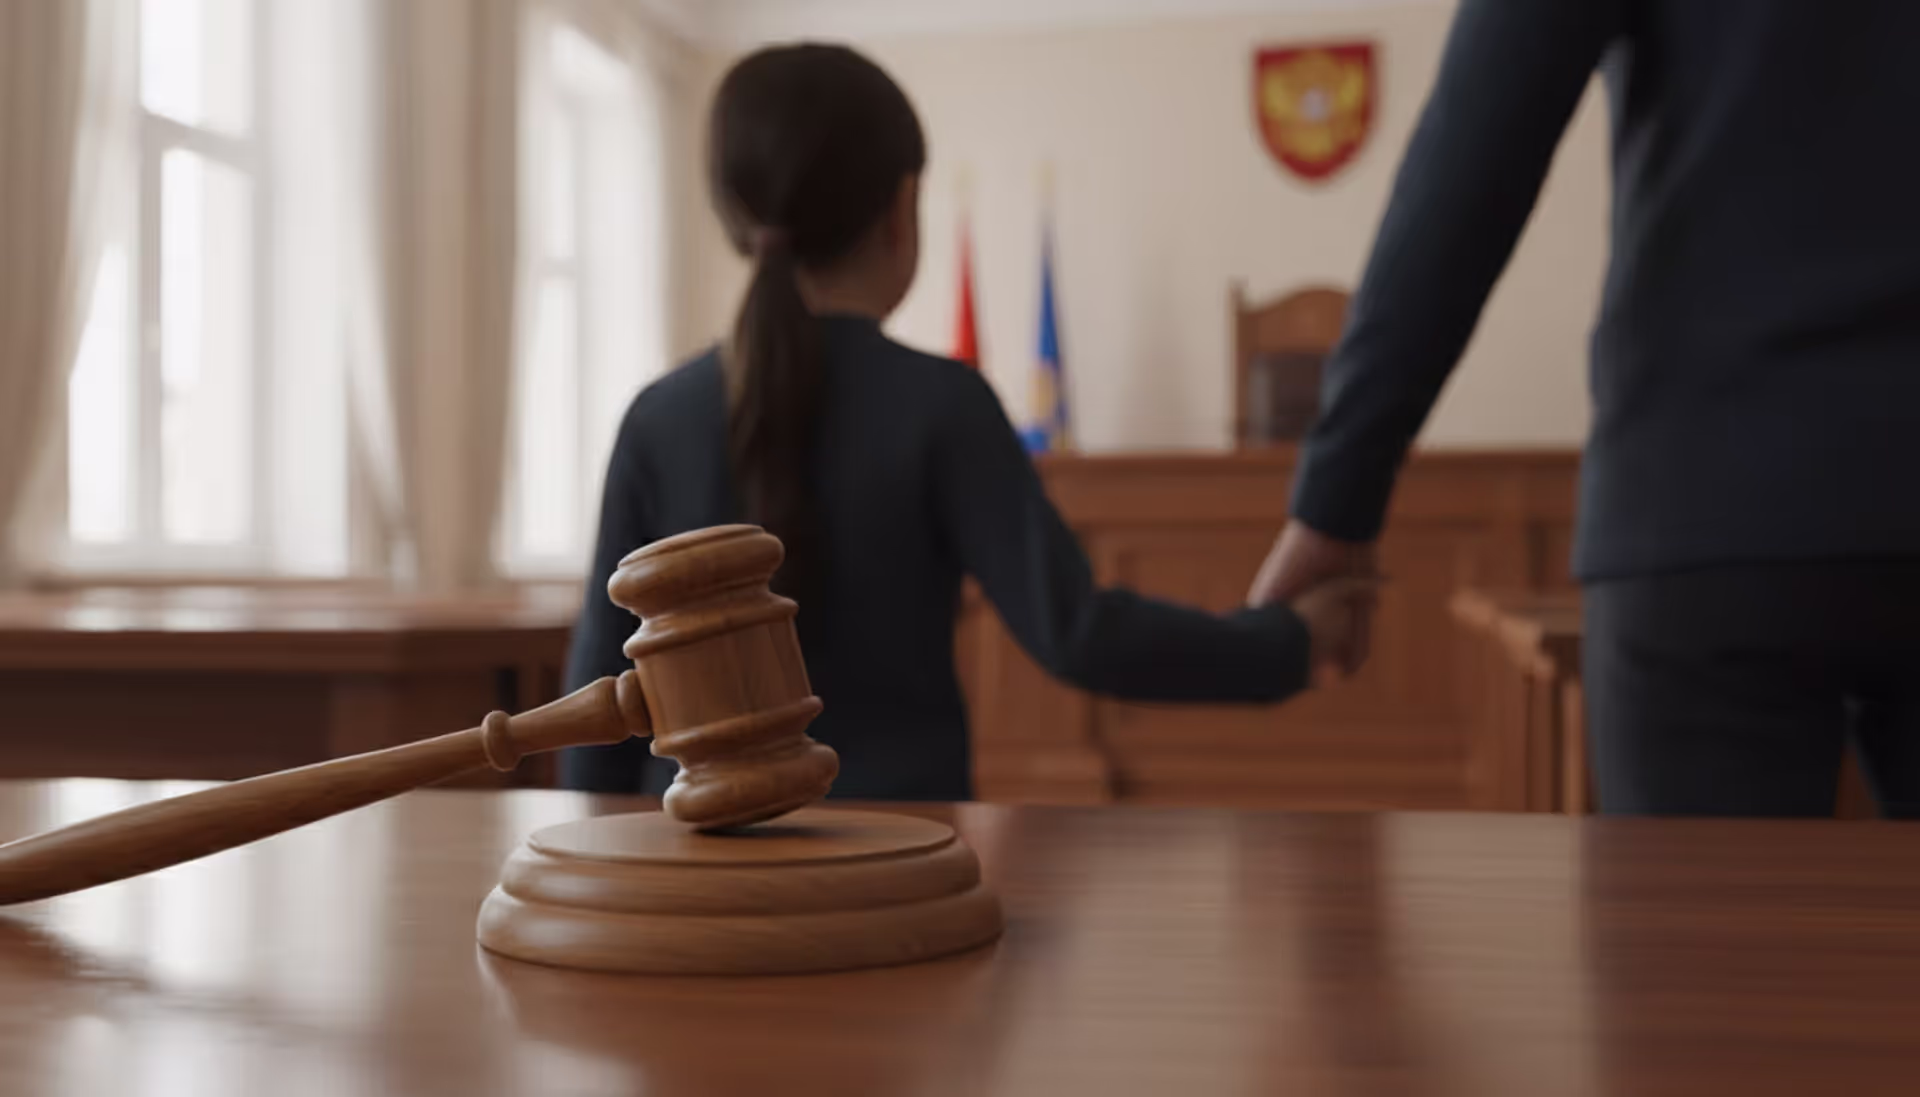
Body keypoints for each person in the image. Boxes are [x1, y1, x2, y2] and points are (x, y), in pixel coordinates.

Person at [562, 44, 1369, 800]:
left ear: (735, 218)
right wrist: (1286, 641)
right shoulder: (942, 405)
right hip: (900, 874)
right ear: (902, 208)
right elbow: (1079, 632)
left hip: (684, 890)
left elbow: (594, 716)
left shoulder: (654, 419)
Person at [1248, 1, 1920, 817]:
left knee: (1711, 943)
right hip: (1719, 511)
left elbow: (1471, 162)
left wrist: (1334, 504)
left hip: (1707, 506)